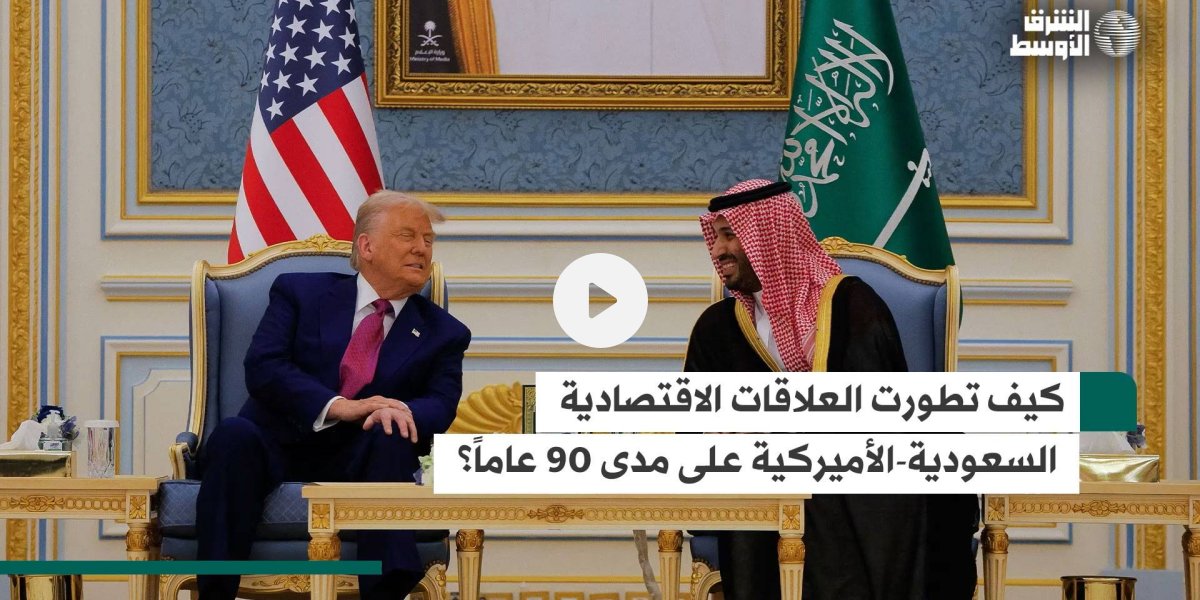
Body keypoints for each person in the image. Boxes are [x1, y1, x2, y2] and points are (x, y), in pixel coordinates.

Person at [684, 179, 978, 600]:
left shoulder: (851, 307)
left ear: (768, 237)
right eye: (714, 237)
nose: (717, 250)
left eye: (729, 234)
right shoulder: (717, 327)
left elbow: (877, 416)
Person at [195, 190, 472, 600]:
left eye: (428, 240)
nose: (421, 249)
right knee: (233, 435)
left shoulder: (444, 331)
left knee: (392, 429)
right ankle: (214, 593)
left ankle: (388, 587)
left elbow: (441, 404)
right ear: (367, 246)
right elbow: (264, 367)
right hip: (279, 443)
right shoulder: (300, 293)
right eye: (407, 236)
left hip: (368, 455)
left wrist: (397, 409)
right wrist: (340, 407)